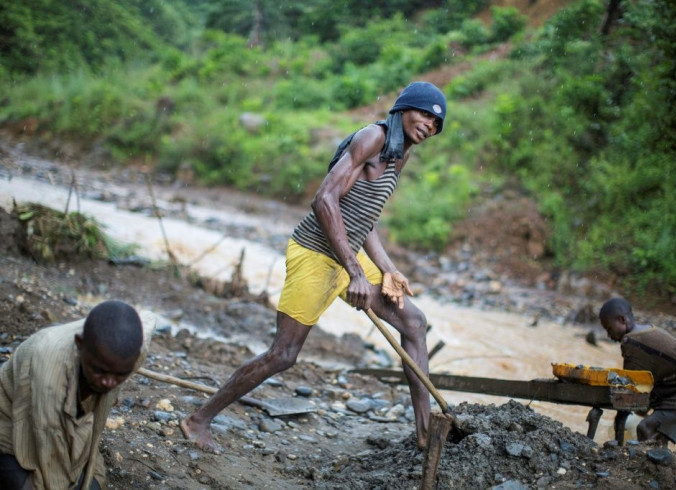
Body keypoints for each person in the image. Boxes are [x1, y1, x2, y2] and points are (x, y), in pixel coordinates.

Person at [181, 81, 447, 453]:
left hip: (348, 257)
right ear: (404, 109)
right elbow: (324, 199)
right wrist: (355, 272)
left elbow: (364, 218)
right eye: (424, 116)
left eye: (436, 125)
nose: (429, 127)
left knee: (413, 322)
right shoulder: (373, 137)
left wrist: (388, 268)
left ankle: (425, 435)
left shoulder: (401, 154)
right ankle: (198, 419)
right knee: (283, 355)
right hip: (315, 253)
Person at [0, 300, 156, 490]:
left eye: (120, 375)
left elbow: (148, 319)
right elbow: (51, 465)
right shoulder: (50, 376)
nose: (109, 383)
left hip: (66, 422)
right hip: (15, 420)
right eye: (100, 371)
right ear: (79, 344)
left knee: (93, 485)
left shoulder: (133, 351)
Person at [598, 297, 676, 446]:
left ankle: (648, 465)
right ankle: (657, 460)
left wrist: (620, 414)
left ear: (622, 319)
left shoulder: (632, 342)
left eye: (609, 329)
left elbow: (631, 392)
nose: (609, 335)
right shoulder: (647, 330)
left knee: (646, 428)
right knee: (656, 431)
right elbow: (647, 386)